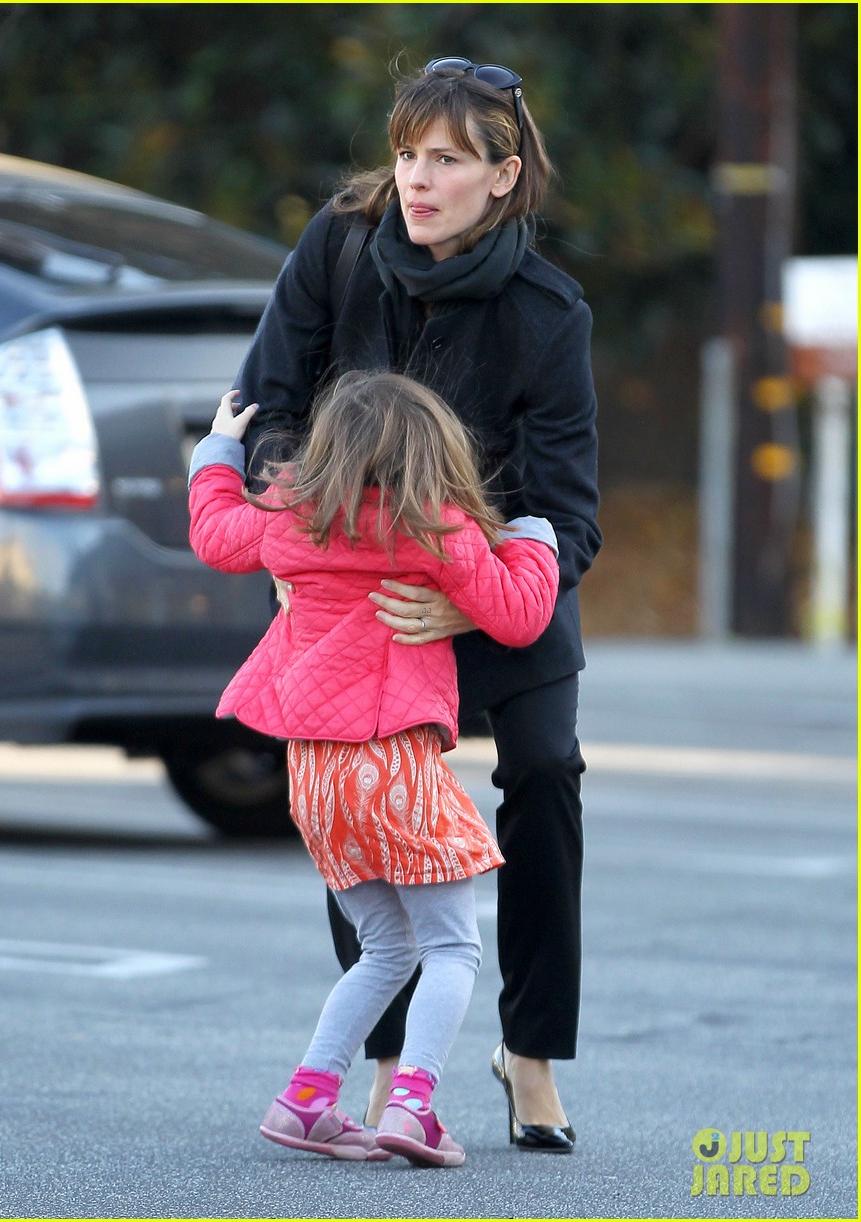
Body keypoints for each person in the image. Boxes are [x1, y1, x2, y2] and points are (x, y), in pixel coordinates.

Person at [236, 57, 602, 1152]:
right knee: (357, 784)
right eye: (407, 153)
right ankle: (394, 1060)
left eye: (446, 158)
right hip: (355, 594)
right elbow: (266, 409)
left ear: (503, 175)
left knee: (543, 769)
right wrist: (308, 511)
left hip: (490, 591)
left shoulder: (549, 311)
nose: (417, 177)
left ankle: (527, 1050)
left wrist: (468, 602)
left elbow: (566, 514)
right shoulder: (338, 248)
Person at [188, 369, 560, 1166]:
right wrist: (536, 534)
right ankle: (413, 1106)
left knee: (385, 948)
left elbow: (215, 532)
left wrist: (220, 446)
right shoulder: (441, 533)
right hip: (392, 764)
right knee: (454, 948)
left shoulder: (291, 519)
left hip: (314, 778)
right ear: (433, 453)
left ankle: (308, 1100)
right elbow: (523, 617)